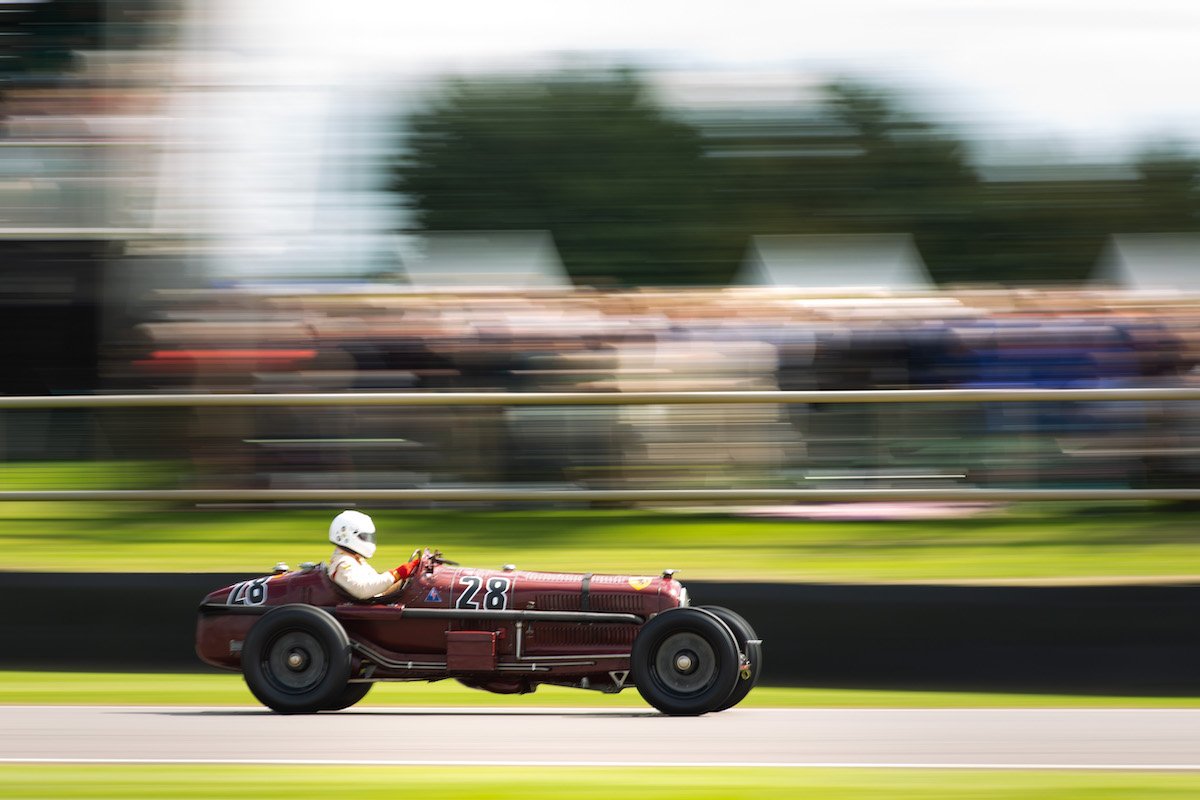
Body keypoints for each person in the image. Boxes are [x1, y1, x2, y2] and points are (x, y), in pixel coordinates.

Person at [327, 510, 421, 600]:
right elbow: (362, 590)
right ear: (345, 535)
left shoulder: (355, 559)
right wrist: (397, 573)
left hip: (375, 599)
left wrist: (403, 575)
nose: (368, 539)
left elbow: (375, 583)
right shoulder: (342, 564)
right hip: (362, 609)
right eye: (365, 536)